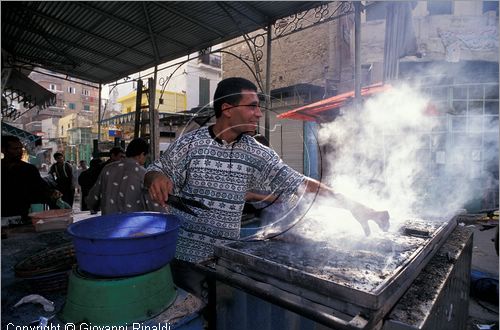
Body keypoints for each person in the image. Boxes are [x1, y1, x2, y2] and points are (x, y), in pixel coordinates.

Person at [145, 77, 390, 300]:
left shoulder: (256, 152)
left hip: (226, 261)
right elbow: (155, 169)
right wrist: (155, 177)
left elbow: (301, 183)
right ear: (227, 110)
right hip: (185, 260)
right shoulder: (189, 143)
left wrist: (356, 207)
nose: (259, 114)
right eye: (252, 106)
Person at [1, 135, 61, 221]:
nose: (19, 152)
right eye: (15, 149)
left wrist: (51, 193)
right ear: (3, 150)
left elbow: (39, 190)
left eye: (20, 149)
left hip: (22, 216)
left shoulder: (29, 169)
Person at [87, 138, 150, 215]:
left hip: (109, 223)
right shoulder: (143, 173)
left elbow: (93, 197)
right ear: (142, 154)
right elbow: (151, 203)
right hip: (132, 224)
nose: (145, 160)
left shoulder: (107, 169)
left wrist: (91, 205)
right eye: (146, 156)